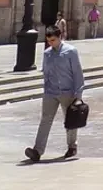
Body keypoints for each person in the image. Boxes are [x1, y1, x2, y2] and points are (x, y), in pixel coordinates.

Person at [25, 26, 85, 162]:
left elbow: (77, 73)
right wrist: (46, 90)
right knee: (45, 120)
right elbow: (46, 73)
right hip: (50, 93)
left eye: (53, 40)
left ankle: (72, 146)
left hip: (67, 92)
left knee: (70, 120)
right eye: (48, 40)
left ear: (60, 37)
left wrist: (78, 94)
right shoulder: (47, 54)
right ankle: (37, 151)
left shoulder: (70, 52)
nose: (51, 43)